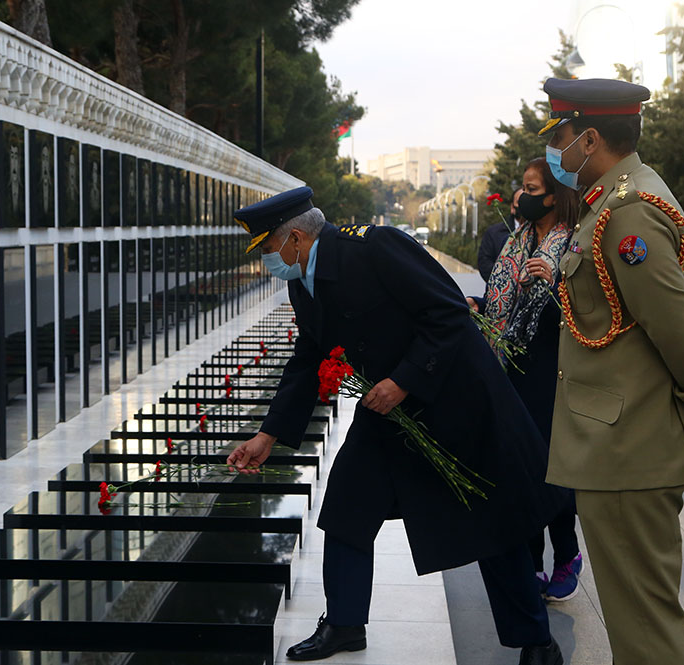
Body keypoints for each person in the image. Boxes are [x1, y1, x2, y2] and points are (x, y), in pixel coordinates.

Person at [227, 186, 567, 665]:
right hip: (386, 413)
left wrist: (403, 381)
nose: (267, 261)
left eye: (268, 249)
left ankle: (537, 642)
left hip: (451, 404)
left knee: (492, 527)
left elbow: (448, 314)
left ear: (297, 239)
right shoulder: (303, 279)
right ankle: (345, 623)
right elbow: (309, 355)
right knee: (345, 508)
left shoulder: (375, 248)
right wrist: (268, 434)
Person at [539, 77, 684, 665]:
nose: (555, 149)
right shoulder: (616, 199)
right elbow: (665, 313)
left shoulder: (627, 211)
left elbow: (674, 324)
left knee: (644, 628)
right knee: (637, 621)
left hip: (628, 448)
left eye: (561, 135)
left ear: (590, 139)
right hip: (619, 443)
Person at [469, 159, 583, 602]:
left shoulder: (575, 241)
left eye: (532, 189)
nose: (523, 196)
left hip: (554, 370)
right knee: (521, 468)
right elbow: (506, 302)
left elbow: (588, 310)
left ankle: (567, 553)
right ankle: (532, 561)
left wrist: (554, 284)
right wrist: (479, 305)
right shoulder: (517, 241)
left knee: (551, 468)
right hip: (512, 368)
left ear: (555, 196)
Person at [477, 188, 522, 281]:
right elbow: (484, 263)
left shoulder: (541, 231)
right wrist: (503, 279)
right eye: (519, 202)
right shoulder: (495, 233)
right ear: (512, 207)